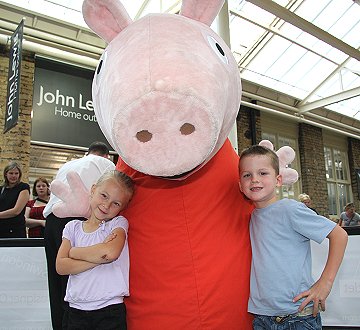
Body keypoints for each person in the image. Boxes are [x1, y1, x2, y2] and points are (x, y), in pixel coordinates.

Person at [238, 145, 348, 330]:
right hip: (263, 317)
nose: (254, 179)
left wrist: (325, 283)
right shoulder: (252, 217)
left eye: (263, 173)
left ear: (278, 180)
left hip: (297, 317)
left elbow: (340, 235)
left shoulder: (290, 209)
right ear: (240, 185)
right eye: (247, 175)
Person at [43, 141, 115, 330]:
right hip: (78, 219)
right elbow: (114, 191)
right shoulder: (106, 164)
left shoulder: (69, 164)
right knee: (78, 281)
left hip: (51, 221)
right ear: (106, 156)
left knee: (57, 282)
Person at [56, 170, 134, 330]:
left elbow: (109, 253)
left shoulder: (118, 224)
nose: (107, 205)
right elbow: (61, 266)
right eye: (104, 195)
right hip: (75, 310)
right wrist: (98, 257)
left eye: (116, 203)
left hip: (109, 310)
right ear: (93, 190)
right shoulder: (72, 227)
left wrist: (74, 253)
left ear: (123, 208)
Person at [0, 161, 30, 238]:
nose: (13, 176)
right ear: (6, 174)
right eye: (11, 173)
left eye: (16, 173)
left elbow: (16, 211)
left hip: (15, 230)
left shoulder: (23, 187)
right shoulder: (1, 189)